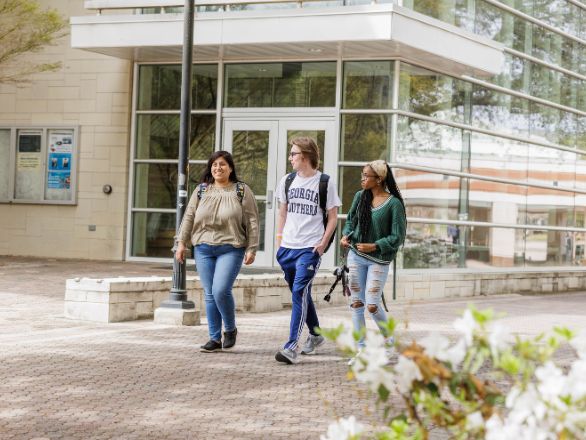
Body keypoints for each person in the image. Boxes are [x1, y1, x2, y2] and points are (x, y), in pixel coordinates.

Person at [176, 151, 259, 353]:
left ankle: (230, 329)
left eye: (222, 164)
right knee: (210, 294)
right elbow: (188, 217)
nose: (218, 168)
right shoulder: (201, 190)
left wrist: (252, 248)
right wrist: (181, 243)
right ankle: (214, 338)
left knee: (221, 290)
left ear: (230, 168)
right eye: (214, 165)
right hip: (203, 248)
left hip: (231, 247)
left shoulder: (241, 190)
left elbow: (252, 220)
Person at [274, 137, 341, 365]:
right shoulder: (287, 180)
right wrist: (279, 241)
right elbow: (282, 213)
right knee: (300, 293)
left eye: (293, 154)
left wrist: (322, 244)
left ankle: (292, 346)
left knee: (299, 293)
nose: (290, 158)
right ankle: (316, 334)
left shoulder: (325, 182)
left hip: (310, 248)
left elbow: (333, 217)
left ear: (305, 155)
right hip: (287, 248)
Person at [340, 160, 406, 365]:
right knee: (356, 303)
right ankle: (361, 350)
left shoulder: (393, 204)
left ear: (379, 179)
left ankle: (389, 341)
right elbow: (350, 220)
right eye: (362, 174)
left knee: (371, 304)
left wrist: (375, 245)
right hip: (356, 256)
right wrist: (346, 235)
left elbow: (398, 236)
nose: (362, 179)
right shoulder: (360, 197)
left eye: (366, 176)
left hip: (378, 259)